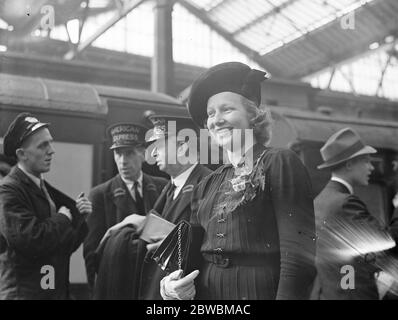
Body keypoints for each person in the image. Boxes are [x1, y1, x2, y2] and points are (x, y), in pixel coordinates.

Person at [160, 62, 316, 300]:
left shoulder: (279, 163)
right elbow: (189, 256)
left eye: (227, 109)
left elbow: (298, 257)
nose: (216, 120)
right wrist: (171, 284)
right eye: (211, 114)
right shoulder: (206, 183)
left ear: (253, 116)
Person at [0, 113, 89, 299]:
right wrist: (63, 219)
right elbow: (31, 240)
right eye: (43, 145)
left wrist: (79, 218)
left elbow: (60, 247)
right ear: (21, 154)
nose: (51, 150)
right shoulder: (8, 191)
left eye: (50, 142)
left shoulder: (42, 188)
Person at [83, 123, 167, 293]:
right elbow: (92, 254)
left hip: (154, 286)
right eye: (118, 153)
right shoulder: (100, 195)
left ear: (143, 154)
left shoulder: (162, 188)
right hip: (119, 286)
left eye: (129, 153)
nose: (122, 161)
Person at [314, 127, 393, 300]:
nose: (371, 167)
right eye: (366, 161)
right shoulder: (345, 203)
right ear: (349, 164)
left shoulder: (320, 201)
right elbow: (385, 242)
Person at [138, 115, 212, 299]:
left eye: (159, 146)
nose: (153, 154)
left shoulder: (208, 184)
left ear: (182, 146)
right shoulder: (169, 188)